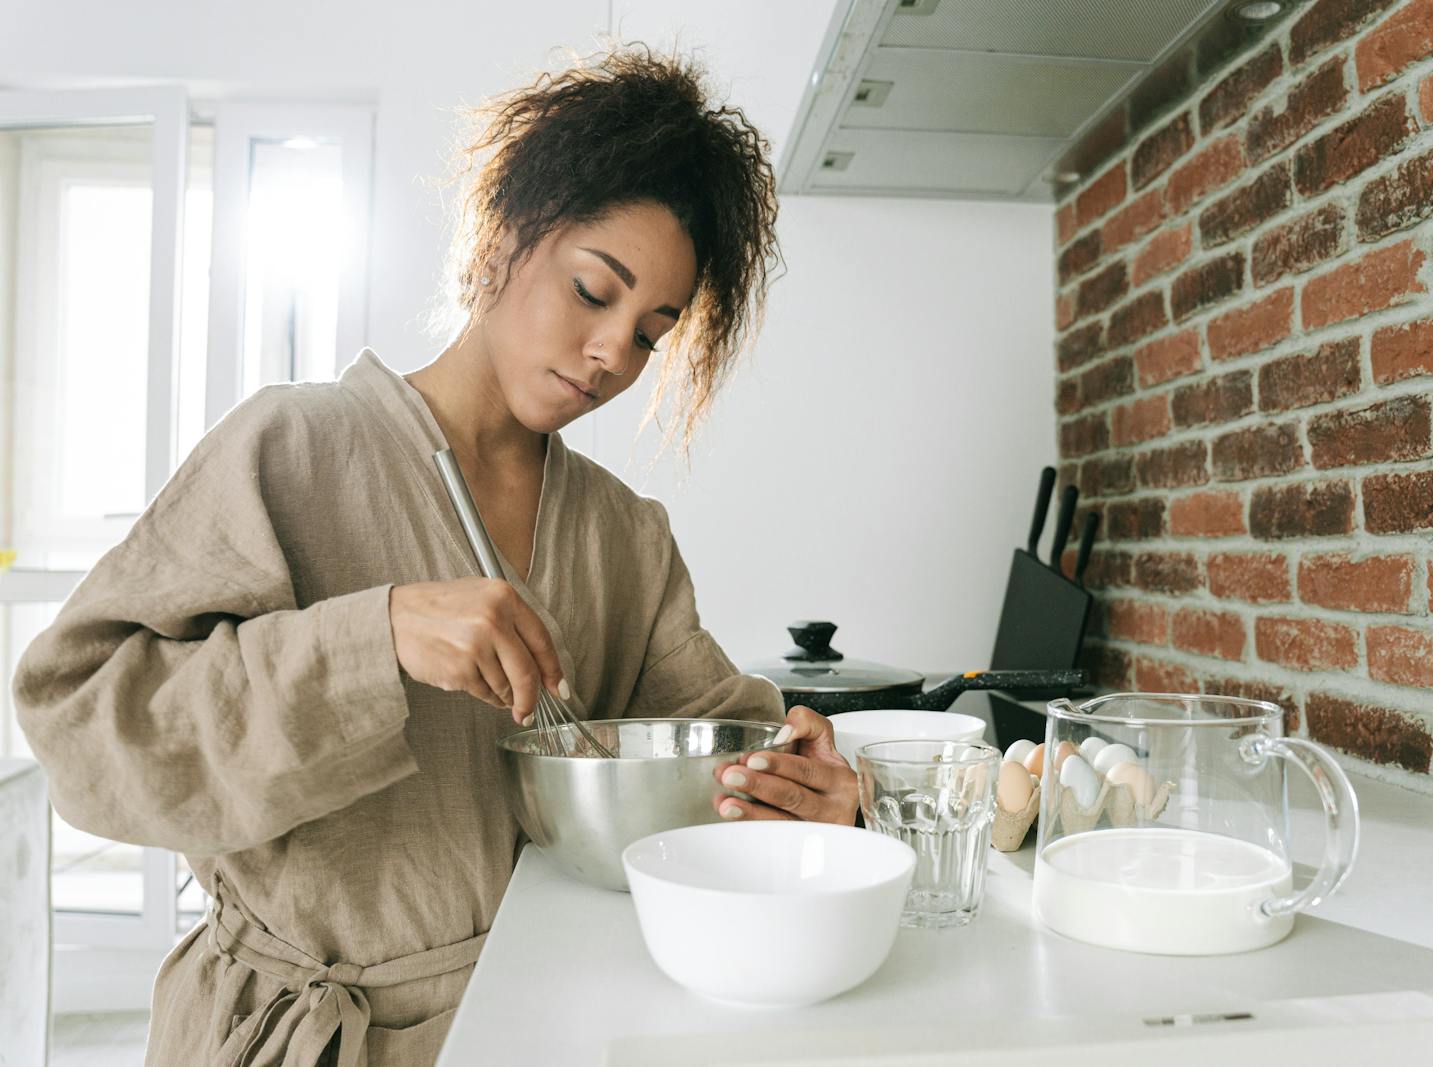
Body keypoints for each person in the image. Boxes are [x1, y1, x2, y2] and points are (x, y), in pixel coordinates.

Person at [14, 45, 859, 1066]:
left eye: (651, 331)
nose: (612, 354)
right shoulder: (291, 447)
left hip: (537, 1021)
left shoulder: (623, 536)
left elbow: (707, 749)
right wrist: (370, 640)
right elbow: (82, 729)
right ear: (506, 237)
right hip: (306, 1034)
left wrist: (801, 790)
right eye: (594, 291)